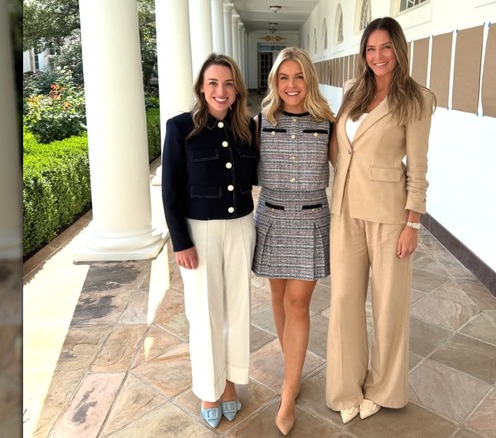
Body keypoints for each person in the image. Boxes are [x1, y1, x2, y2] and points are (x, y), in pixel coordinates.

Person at [325, 17, 436, 423]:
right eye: (371, 49)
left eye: (385, 47)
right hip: (346, 210)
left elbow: (419, 166)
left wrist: (413, 223)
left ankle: (384, 388)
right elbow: (341, 146)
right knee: (344, 301)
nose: (378, 56)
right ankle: (345, 388)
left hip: (390, 216)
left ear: (398, 49)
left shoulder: (417, 99)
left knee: (388, 306)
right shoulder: (354, 92)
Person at [161, 53, 257, 429]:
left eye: (228, 83)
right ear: (202, 87)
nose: (221, 90)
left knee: (237, 308)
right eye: (213, 83)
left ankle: (230, 382)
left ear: (237, 90)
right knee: (204, 313)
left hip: (240, 228)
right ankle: (208, 387)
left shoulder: (247, 127)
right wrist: (180, 241)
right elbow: (170, 190)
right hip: (198, 231)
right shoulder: (180, 127)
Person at [252, 47, 335, 435]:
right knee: (278, 297)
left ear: (309, 80)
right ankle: (293, 369)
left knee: (298, 303)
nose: (291, 85)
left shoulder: (327, 122)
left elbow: (349, 167)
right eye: (283, 77)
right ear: (275, 82)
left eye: (298, 76)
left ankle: (288, 392)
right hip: (271, 217)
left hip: (311, 219)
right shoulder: (260, 122)